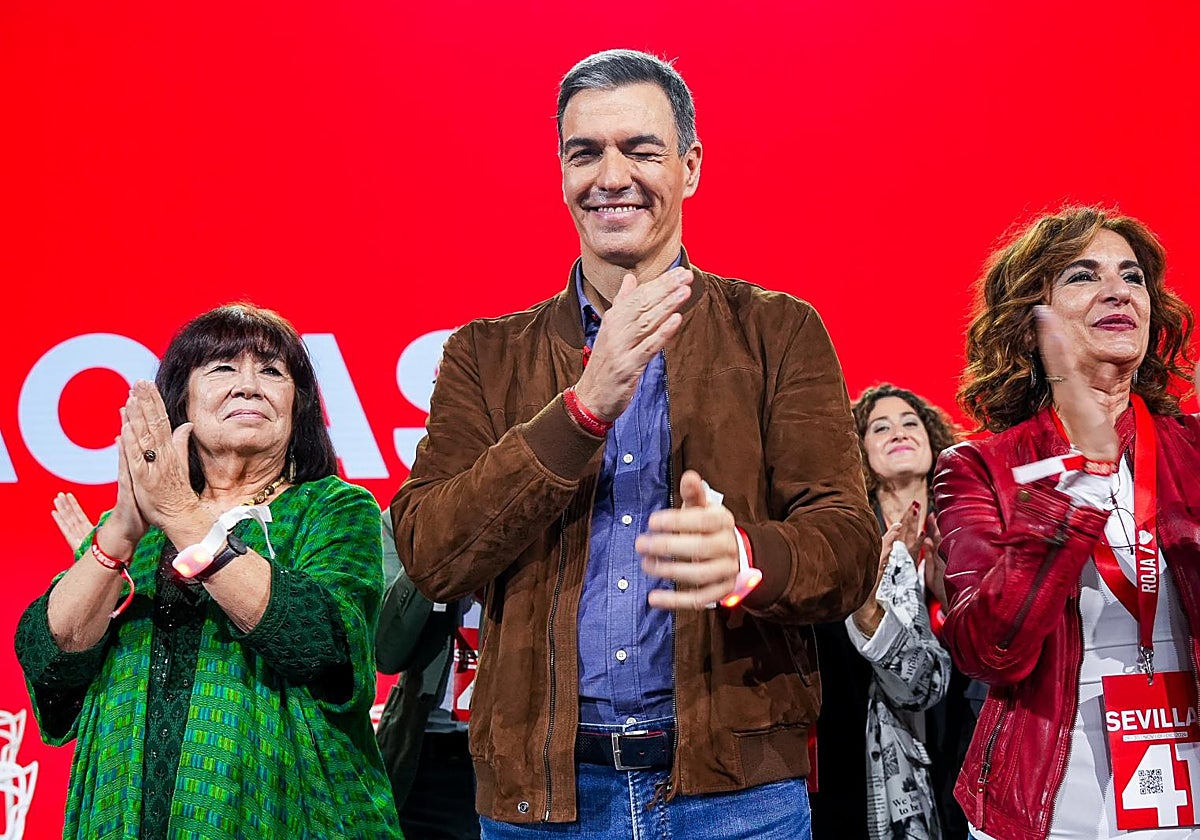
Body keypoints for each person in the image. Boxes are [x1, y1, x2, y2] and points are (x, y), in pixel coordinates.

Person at [390, 48, 878, 839]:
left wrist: (749, 559)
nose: (610, 176)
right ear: (560, 173)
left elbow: (850, 546)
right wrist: (582, 410)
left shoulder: (779, 329)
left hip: (736, 799)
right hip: (542, 802)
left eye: (640, 150)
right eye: (585, 153)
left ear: (689, 167)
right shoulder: (485, 352)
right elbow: (430, 552)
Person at [15, 304, 402, 839]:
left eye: (271, 372)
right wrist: (123, 532)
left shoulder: (333, 509)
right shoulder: (130, 530)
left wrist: (181, 515)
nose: (249, 386)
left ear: (299, 406)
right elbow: (50, 658)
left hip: (291, 815)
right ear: (183, 401)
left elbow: (322, 643)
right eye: (222, 369)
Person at [934, 207, 1200, 840]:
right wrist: (1066, 498)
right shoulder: (979, 467)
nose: (1118, 291)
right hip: (1051, 801)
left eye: (1133, 277)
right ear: (1031, 327)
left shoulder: (1194, 452)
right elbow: (985, 650)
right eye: (1084, 275)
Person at [840, 384, 981, 840]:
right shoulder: (849, 540)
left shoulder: (970, 528)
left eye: (909, 422)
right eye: (879, 427)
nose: (898, 432)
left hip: (964, 749)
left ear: (933, 438)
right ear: (860, 451)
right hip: (867, 764)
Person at [376, 511, 481, 839]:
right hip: (425, 748)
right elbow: (386, 653)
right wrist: (431, 552)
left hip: (518, 751)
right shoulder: (404, 519)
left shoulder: (539, 511)